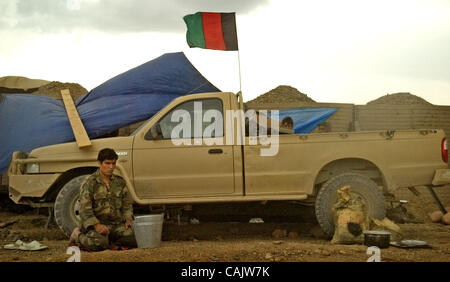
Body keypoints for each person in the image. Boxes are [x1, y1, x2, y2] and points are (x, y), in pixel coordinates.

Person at [68, 148, 137, 251]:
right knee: (98, 244)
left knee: (135, 238)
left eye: (113, 163)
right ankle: (77, 235)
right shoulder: (90, 183)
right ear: (99, 163)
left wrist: (127, 218)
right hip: (95, 226)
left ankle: (110, 241)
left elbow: (127, 204)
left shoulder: (119, 182)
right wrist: (96, 225)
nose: (111, 167)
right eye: (107, 163)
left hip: (115, 225)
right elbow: (84, 210)